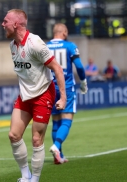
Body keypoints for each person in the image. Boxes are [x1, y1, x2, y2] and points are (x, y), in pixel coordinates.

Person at [1, 9, 68, 182]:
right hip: (25, 95)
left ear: (16, 24)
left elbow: (57, 69)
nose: (2, 24)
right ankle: (25, 177)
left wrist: (63, 97)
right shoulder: (12, 46)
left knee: (36, 139)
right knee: (14, 135)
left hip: (43, 94)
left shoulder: (36, 43)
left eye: (5, 21)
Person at [47, 23, 88, 165]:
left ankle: (59, 156)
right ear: (64, 32)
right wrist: (83, 81)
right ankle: (57, 146)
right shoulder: (70, 46)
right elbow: (80, 67)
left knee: (55, 121)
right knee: (66, 120)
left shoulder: (45, 47)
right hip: (67, 87)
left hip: (50, 87)